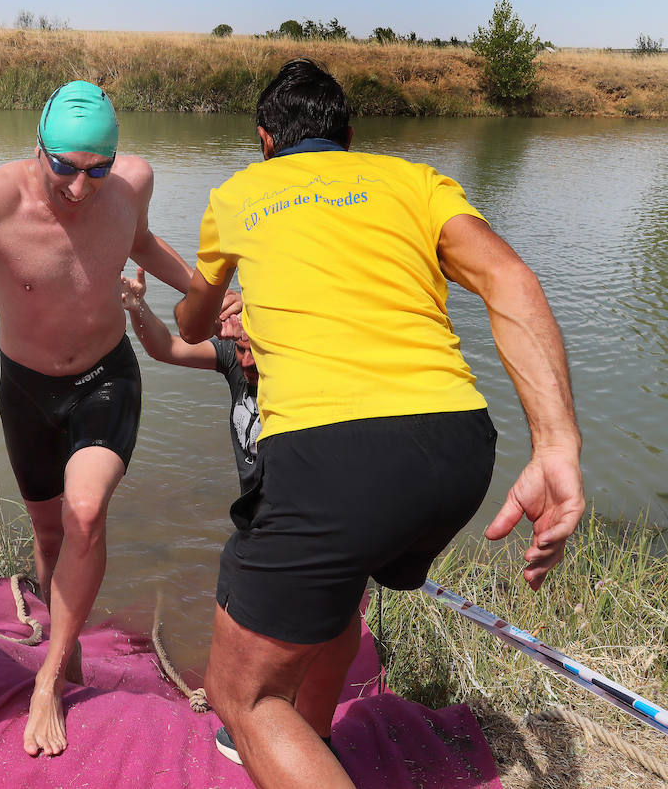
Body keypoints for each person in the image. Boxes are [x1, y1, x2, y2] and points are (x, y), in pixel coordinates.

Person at [173, 59, 584, 789]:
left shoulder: (239, 194)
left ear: (264, 140)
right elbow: (511, 279)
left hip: (332, 455)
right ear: (350, 137)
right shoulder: (415, 181)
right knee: (344, 580)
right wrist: (555, 443)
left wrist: (200, 308)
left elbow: (194, 317)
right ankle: (316, 737)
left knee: (244, 694)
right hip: (459, 445)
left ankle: (281, 736)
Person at [0, 80, 226, 758]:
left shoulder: (133, 183)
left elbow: (139, 240)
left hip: (105, 379)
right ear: (39, 149)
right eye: (64, 168)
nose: (80, 188)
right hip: (25, 388)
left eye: (97, 171)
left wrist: (214, 293)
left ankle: (49, 681)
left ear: (116, 161)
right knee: (49, 533)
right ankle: (68, 642)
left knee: (86, 511)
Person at [119, 267, 259, 500]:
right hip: (253, 509)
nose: (246, 362)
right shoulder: (231, 357)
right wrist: (138, 306)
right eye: (242, 349)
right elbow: (165, 347)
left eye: (256, 353)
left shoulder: (302, 363)